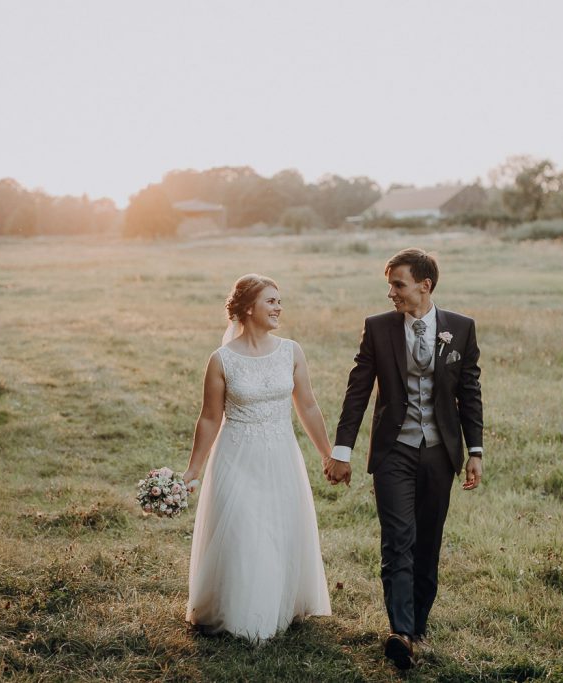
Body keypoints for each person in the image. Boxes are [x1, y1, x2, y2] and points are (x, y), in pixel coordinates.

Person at [325, 248, 484, 670]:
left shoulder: (461, 329)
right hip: (393, 451)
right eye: (390, 285)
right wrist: (342, 450)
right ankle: (400, 631)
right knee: (398, 541)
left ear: (424, 286)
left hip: (439, 453)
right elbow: (357, 391)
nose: (391, 293)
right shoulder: (379, 329)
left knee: (428, 542)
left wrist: (475, 451)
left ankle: (416, 625)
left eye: (398, 284)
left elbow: (469, 393)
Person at [182, 274, 332, 642]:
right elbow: (210, 417)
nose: (279, 307)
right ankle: (242, 615)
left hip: (281, 454)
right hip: (236, 455)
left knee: (278, 529)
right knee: (245, 532)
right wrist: (193, 469)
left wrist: (328, 454)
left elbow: (308, 406)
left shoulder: (291, 351)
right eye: (271, 301)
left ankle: (280, 603)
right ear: (248, 308)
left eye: (280, 301)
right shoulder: (221, 360)